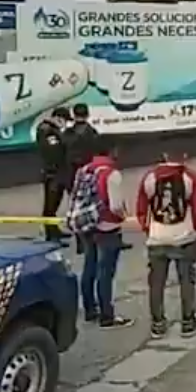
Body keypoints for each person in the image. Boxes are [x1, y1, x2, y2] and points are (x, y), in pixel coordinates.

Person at [136, 151, 196, 338]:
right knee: (186, 281)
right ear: (184, 155)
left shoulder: (150, 177)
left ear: (165, 155)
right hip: (184, 237)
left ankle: (158, 324)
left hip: (157, 237)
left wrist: (149, 229)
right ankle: (188, 322)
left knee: (156, 282)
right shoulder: (190, 177)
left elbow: (141, 208)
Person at [66, 139, 132, 328]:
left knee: (89, 267)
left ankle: (89, 309)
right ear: (112, 150)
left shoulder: (84, 170)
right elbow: (115, 205)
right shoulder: (112, 174)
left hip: (87, 225)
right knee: (105, 273)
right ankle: (107, 315)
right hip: (107, 227)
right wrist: (123, 216)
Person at [36, 106, 71, 242]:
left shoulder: (53, 130)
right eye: (64, 120)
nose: (65, 123)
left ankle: (54, 230)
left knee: (55, 203)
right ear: (57, 118)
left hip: (58, 172)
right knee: (50, 205)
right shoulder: (46, 130)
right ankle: (50, 234)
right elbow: (53, 151)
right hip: (52, 173)